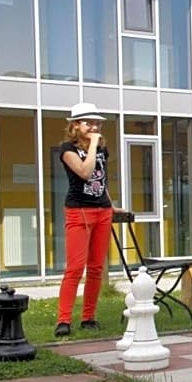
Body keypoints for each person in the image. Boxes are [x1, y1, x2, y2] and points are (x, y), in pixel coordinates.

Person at [55, 103, 125, 337]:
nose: (94, 127)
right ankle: (63, 320)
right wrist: (94, 144)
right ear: (75, 125)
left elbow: (100, 180)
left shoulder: (102, 150)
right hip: (78, 211)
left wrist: (111, 205)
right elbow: (85, 173)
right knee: (75, 267)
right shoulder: (67, 149)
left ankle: (89, 317)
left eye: (97, 123)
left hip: (102, 211)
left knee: (96, 268)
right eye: (88, 123)